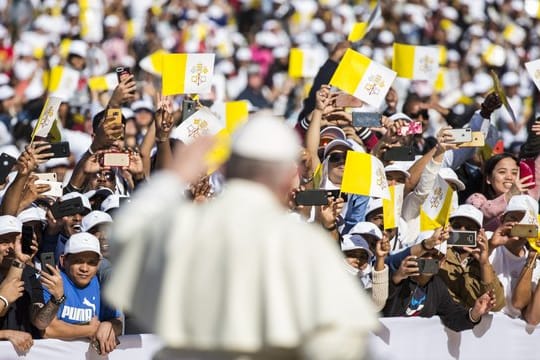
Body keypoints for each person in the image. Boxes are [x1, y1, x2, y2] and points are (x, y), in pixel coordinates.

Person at [105, 116, 378, 359]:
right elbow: (345, 343)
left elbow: (125, 237)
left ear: (223, 169)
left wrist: (175, 176)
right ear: (287, 179)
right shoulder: (306, 244)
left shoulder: (188, 228)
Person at [383, 231, 496, 332]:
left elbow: (454, 317)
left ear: (442, 262)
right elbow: (380, 300)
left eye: (435, 256)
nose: (430, 259)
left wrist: (474, 313)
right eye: (426, 254)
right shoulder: (399, 274)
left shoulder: (437, 285)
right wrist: (396, 279)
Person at [42, 232, 122, 355]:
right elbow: (48, 329)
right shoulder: (53, 282)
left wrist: (109, 325)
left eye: (91, 262)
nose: (84, 268)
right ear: (63, 260)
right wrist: (91, 329)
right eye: (78, 261)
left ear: (99, 264)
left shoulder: (101, 284)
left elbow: (118, 323)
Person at [438, 205, 505, 311]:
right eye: (457, 226)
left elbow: (497, 305)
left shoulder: (482, 262)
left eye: (469, 228)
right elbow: (422, 280)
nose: (462, 231)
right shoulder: (438, 253)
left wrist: (484, 263)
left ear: (479, 234)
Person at [467, 153, 534, 231]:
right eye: (502, 172)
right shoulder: (477, 199)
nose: (509, 177)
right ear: (488, 178)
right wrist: (509, 195)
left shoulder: (527, 201)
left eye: (514, 173)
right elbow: (477, 217)